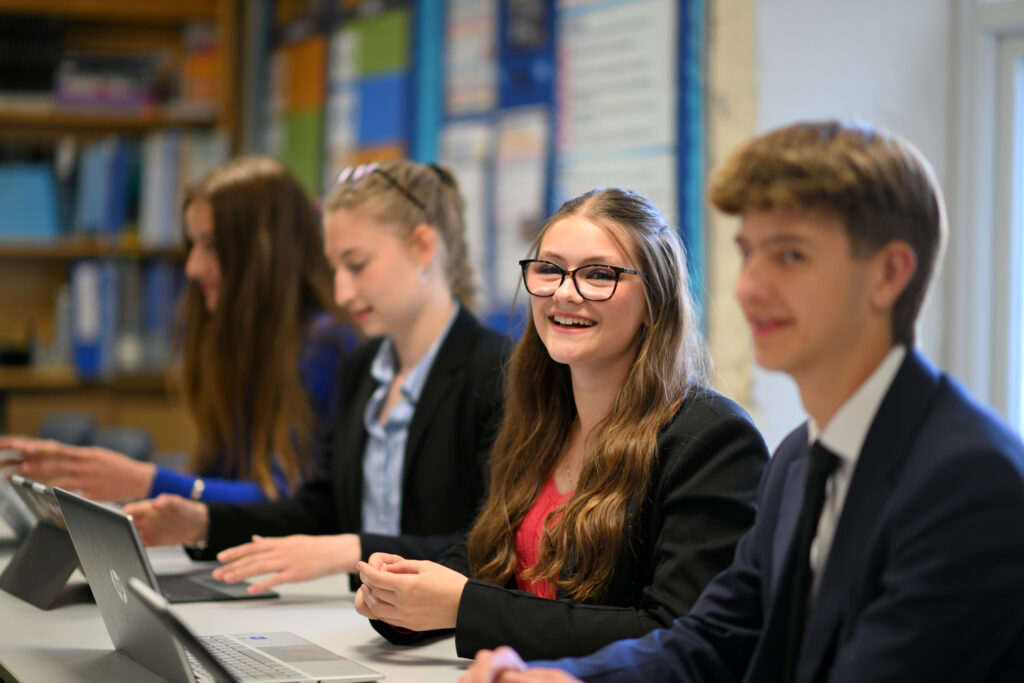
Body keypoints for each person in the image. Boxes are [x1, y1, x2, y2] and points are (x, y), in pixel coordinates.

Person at [461, 120, 1024, 683]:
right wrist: (574, 680)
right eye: (748, 253)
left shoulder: (969, 480)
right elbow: (714, 637)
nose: (749, 287)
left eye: (790, 256)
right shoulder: (801, 459)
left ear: (888, 274)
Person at [353, 188, 768, 661]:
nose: (565, 293)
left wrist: (464, 606)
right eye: (549, 269)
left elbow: (679, 632)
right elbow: (487, 563)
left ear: (654, 301)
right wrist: (400, 596)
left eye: (598, 275)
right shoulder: (538, 419)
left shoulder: (711, 438)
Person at [122, 159, 509, 594]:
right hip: (363, 621)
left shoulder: (496, 373)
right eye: (335, 268)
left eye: (357, 265)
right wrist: (204, 524)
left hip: (444, 640)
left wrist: (352, 550)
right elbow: (318, 510)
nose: (342, 292)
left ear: (423, 247)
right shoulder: (363, 368)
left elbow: (492, 548)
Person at [0, 156, 356, 504]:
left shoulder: (323, 343)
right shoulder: (241, 340)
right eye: (193, 245)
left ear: (265, 252)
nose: (192, 268)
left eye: (211, 245)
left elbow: (288, 499)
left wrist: (146, 481)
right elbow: (220, 475)